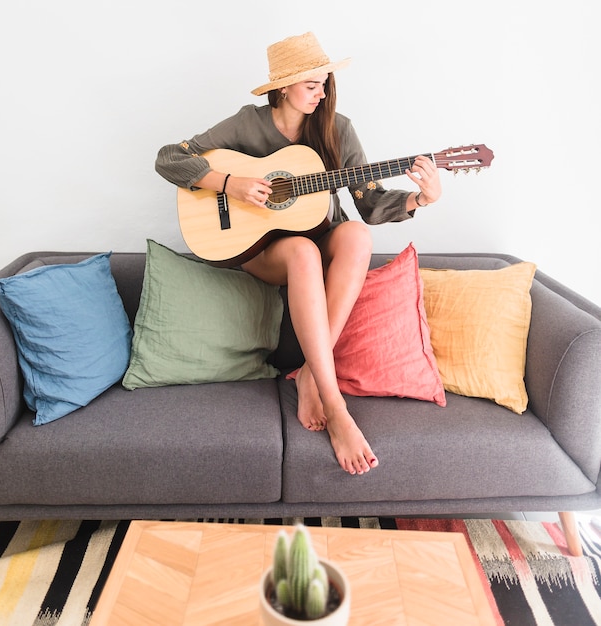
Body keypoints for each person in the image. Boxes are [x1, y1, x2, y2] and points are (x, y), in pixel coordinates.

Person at [155, 32, 442, 476]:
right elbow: (170, 158)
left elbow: (367, 203)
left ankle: (312, 371)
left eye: (325, 83)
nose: (322, 93)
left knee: (355, 238)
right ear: (283, 86)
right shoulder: (246, 124)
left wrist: (419, 199)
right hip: (259, 246)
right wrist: (232, 184)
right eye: (312, 85)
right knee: (303, 252)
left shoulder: (337, 128)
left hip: (316, 235)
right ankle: (335, 405)